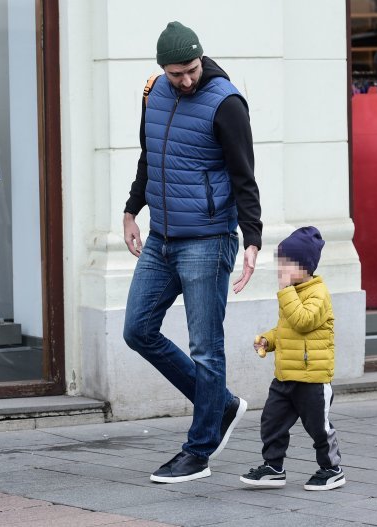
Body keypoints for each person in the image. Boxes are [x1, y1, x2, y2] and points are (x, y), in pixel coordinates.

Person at [122, 21, 262, 483]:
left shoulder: (226, 103)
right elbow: (150, 159)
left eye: (193, 69)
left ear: (202, 60)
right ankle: (219, 404)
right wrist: (131, 210)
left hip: (207, 238)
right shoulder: (153, 95)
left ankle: (199, 450)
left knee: (206, 348)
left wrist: (252, 238)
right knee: (137, 330)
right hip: (161, 237)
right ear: (163, 69)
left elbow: (245, 176)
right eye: (177, 72)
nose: (186, 79)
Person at [240, 226, 346, 491]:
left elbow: (303, 321)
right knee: (271, 421)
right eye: (280, 264)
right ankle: (274, 467)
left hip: (312, 380)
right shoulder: (294, 293)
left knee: (318, 428)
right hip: (286, 376)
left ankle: (332, 469)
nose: (281, 270)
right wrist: (269, 339)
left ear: (304, 266)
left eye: (286, 264)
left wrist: (286, 291)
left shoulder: (317, 294)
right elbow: (287, 330)